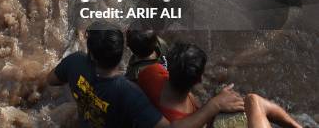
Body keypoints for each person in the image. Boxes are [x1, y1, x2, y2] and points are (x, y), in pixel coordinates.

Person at [46, 21, 244, 128]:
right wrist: (215, 104)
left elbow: (51, 80)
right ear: (122, 49)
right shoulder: (130, 93)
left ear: (91, 53)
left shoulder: (75, 61)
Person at [137, 42, 302, 128]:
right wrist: (215, 105)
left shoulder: (151, 73)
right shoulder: (185, 119)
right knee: (253, 100)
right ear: (198, 79)